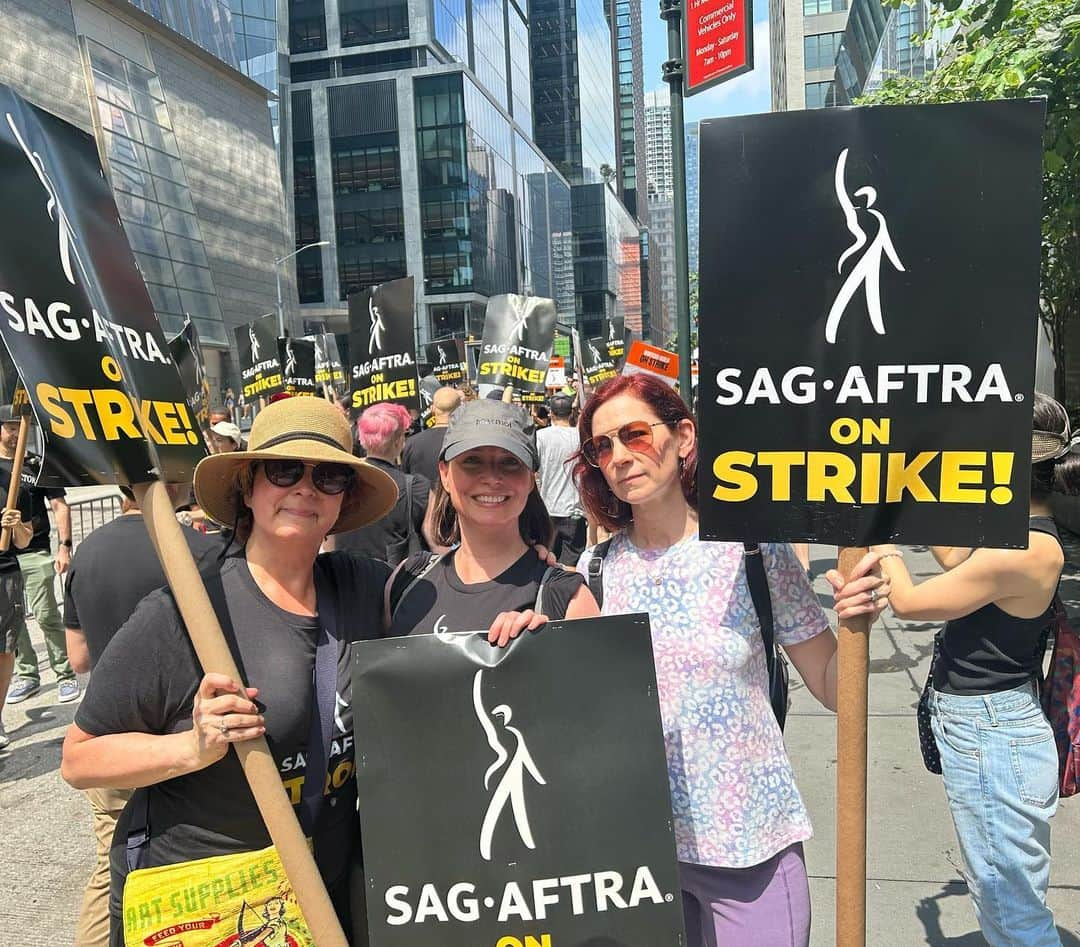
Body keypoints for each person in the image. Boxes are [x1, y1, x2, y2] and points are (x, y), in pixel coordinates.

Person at [60, 397, 400, 945]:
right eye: (284, 470)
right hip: (213, 904)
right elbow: (78, 759)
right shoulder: (188, 613)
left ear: (347, 496)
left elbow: (455, 609)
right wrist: (191, 748)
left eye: (329, 476)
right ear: (248, 484)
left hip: (323, 892)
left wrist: (536, 602)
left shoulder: (363, 587)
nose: (305, 488)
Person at [570, 373, 888, 947]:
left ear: (684, 437)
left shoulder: (752, 551)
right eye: (603, 446)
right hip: (641, 858)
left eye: (636, 434)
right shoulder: (595, 570)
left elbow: (828, 680)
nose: (619, 456)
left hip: (750, 845)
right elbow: (569, 708)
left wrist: (857, 625)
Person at [871, 392, 1078, 947]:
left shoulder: (1025, 549)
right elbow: (954, 560)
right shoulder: (1018, 533)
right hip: (989, 727)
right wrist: (904, 495)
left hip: (992, 732)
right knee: (1003, 897)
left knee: (1013, 914)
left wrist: (879, 529)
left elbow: (912, 603)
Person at [63, 483, 223, 947]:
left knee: (110, 864)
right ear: (174, 487)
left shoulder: (88, 551)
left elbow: (77, 659)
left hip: (109, 733)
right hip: (184, 731)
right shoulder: (202, 549)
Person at [387, 399, 598, 641]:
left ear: (531, 479)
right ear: (445, 474)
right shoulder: (406, 581)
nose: (491, 477)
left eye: (510, 462)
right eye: (472, 461)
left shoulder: (568, 600)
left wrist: (545, 650)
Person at [0, 409, 79, 705]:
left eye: (19, 427)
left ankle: (65, 674)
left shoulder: (36, 464)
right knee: (13, 627)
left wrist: (64, 546)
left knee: (46, 615)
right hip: (5, 560)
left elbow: (60, 505)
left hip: (35, 551)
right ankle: (28, 675)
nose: (17, 433)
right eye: (10, 427)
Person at [333, 403, 430, 565]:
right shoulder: (416, 487)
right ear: (399, 441)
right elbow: (434, 539)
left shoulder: (339, 480)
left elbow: (330, 538)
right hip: (394, 581)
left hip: (343, 576)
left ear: (361, 438)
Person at [536, 394, 587, 565]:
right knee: (571, 565)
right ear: (570, 412)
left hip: (548, 510)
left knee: (546, 562)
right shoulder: (580, 437)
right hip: (574, 511)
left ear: (551, 413)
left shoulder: (541, 437)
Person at [0, 500, 34, 751]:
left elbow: (24, 540)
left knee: (4, 649)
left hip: (5, 575)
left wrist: (17, 526)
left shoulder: (12, 483)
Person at [402, 386, 464, 485]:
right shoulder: (468, 441)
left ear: (432, 408)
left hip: (424, 499)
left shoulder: (411, 443)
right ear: (460, 409)